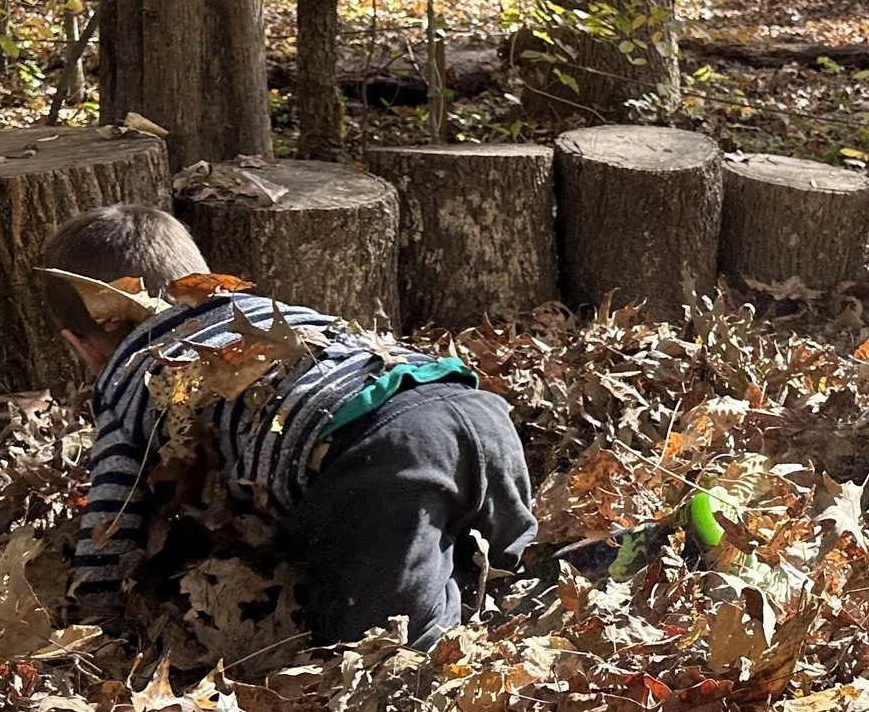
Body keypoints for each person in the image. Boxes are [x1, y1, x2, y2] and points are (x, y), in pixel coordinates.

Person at [36, 203, 535, 647]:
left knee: (385, 640)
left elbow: (111, 516)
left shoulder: (128, 376)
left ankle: (454, 614)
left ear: (80, 344)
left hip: (371, 454)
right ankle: (548, 577)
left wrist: (94, 617)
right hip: (469, 405)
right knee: (506, 563)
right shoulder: (260, 311)